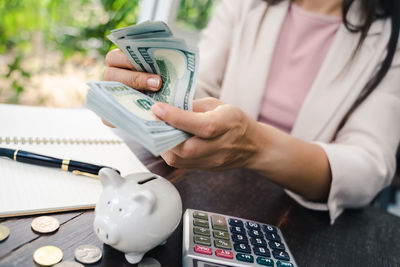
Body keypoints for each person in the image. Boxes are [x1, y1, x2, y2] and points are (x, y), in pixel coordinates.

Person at [102, 0, 400, 223]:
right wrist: (152, 93)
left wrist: (254, 146)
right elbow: (201, 87)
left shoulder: (391, 40)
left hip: (302, 220)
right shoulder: (243, 4)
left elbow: (367, 166)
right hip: (210, 193)